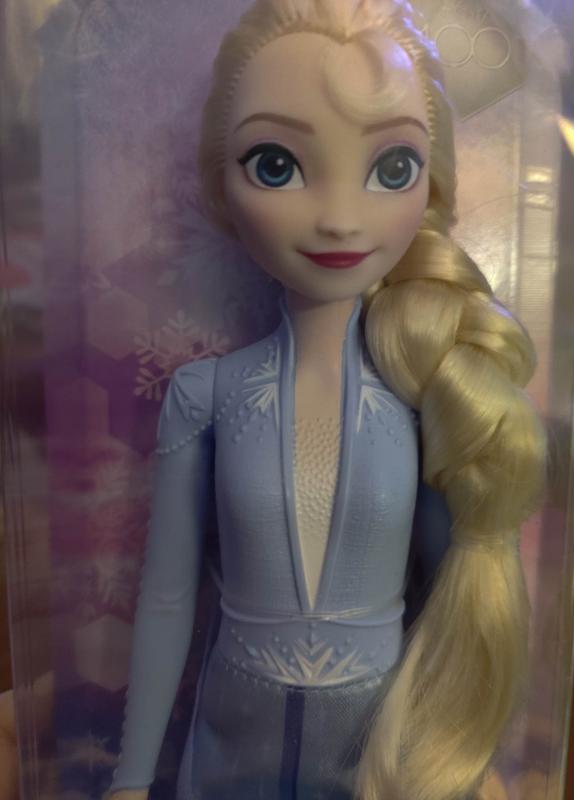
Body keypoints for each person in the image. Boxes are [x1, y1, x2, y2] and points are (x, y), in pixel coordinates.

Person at [111, 2, 546, 798]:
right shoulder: (207, 396)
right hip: (228, 745)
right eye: (275, 164)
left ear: (432, 184)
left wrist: (466, 756)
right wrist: (132, 779)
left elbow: (453, 597)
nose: (341, 219)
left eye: (393, 168)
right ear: (221, 184)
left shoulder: (425, 395)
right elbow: (169, 598)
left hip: (373, 751)